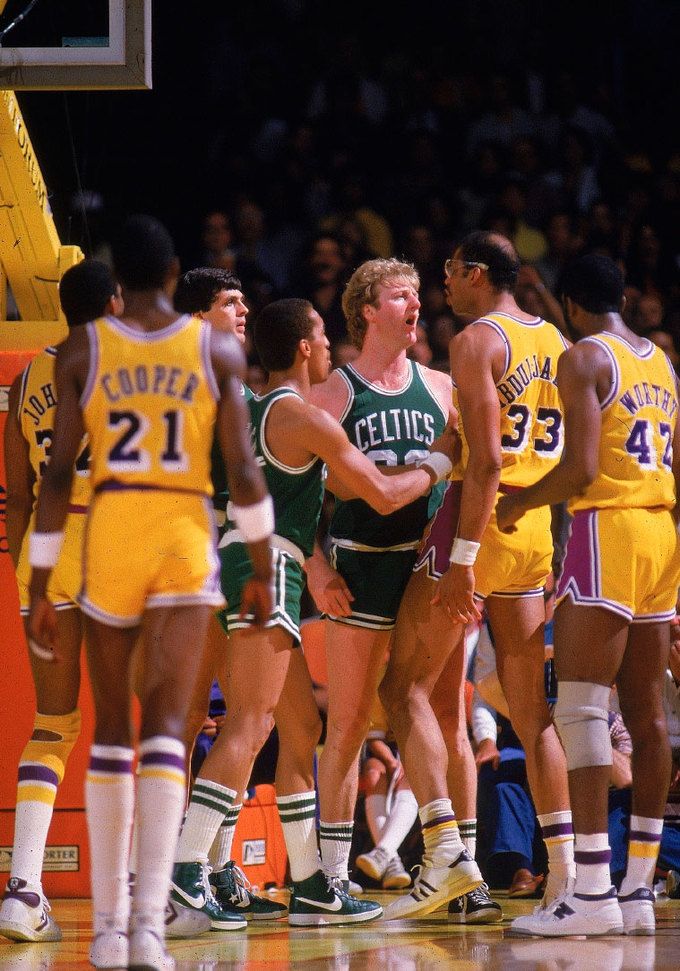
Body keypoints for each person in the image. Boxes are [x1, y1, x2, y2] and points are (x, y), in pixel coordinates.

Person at [25, 215, 275, 971]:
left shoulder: (83, 349)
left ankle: (107, 930)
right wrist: (263, 565)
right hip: (181, 533)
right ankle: (150, 925)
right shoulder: (216, 348)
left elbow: (59, 473)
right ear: (172, 277)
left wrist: (39, 578)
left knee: (106, 729)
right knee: (170, 727)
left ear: (118, 282)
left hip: (109, 530)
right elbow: (243, 468)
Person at [170, 296, 457, 927]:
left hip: (235, 564)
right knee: (248, 725)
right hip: (267, 567)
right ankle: (185, 873)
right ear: (303, 347)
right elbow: (381, 495)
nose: (331, 345)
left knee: (300, 731)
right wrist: (441, 458)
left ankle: (310, 886)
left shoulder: (244, 409)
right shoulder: (299, 415)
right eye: (323, 334)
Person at [497, 253, 680, 936]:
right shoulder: (659, 360)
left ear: (571, 304)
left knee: (578, 707)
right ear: (624, 297)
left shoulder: (582, 359)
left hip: (609, 528)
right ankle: (637, 889)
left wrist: (520, 503)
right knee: (648, 712)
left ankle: (591, 889)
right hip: (663, 531)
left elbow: (576, 469)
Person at [303, 258, 482, 908]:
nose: (416, 304)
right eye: (400, 295)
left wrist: (468, 560)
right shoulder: (335, 392)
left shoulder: (440, 386)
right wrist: (316, 566)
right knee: (348, 725)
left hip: (426, 570)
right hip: (361, 569)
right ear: (368, 310)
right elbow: (290, 497)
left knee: (448, 717)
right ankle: (331, 873)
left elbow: (474, 481)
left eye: (416, 294)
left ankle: (462, 869)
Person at [431, 231, 575, 913]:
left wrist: (461, 560)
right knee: (533, 714)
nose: (445, 284)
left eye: (451, 272)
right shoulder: (557, 343)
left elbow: (485, 462)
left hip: (479, 526)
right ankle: (570, 878)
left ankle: (450, 863)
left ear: (477, 273)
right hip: (536, 525)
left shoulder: (476, 342)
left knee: (416, 691)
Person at [0, 261, 123, 945]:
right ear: (112, 302)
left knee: (53, 722)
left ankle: (22, 889)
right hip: (109, 545)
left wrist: (28, 568)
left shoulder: (26, 379)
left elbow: (17, 495)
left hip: (44, 555)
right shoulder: (125, 368)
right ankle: (138, 888)